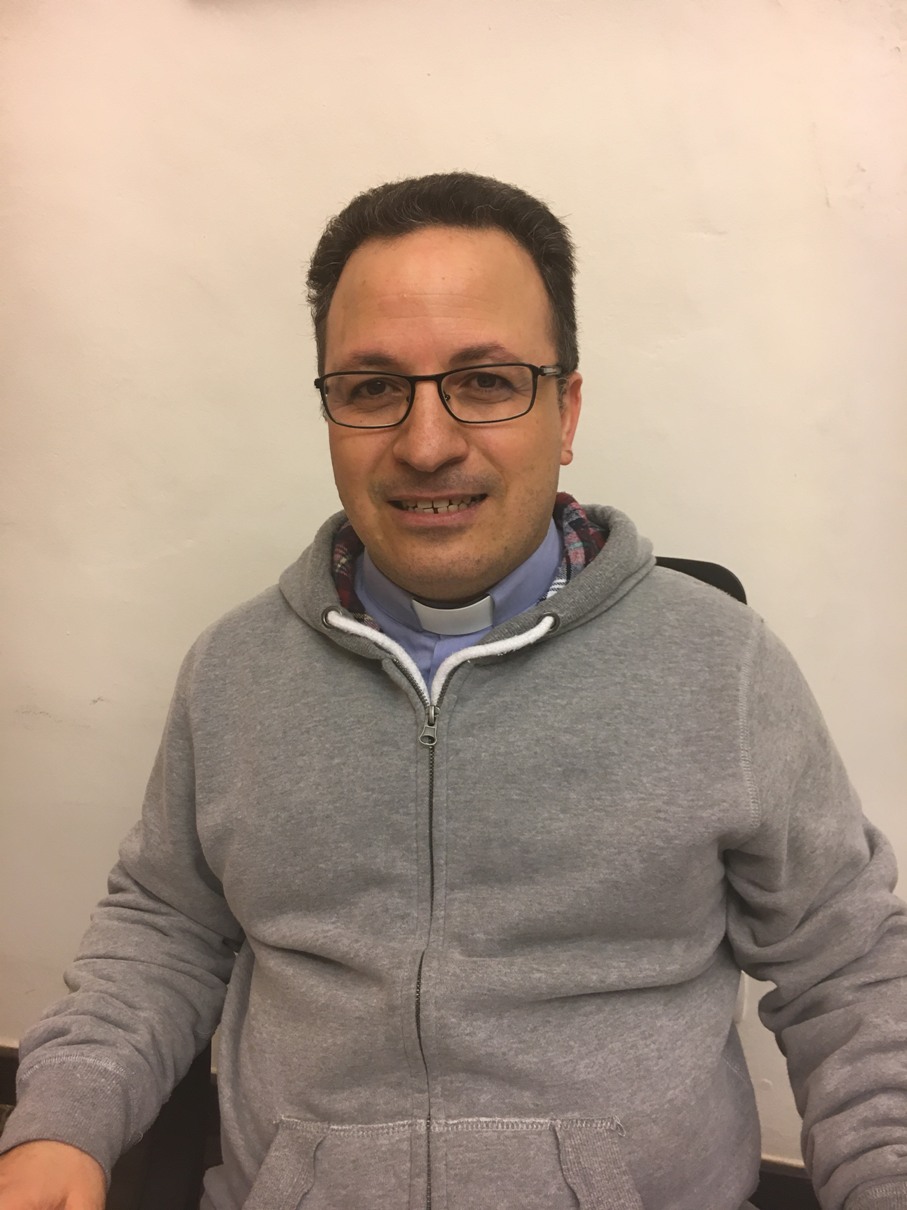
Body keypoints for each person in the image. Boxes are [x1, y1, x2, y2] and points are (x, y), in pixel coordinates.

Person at [0, 172, 904, 1210]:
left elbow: (850, 972)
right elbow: (165, 925)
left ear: (565, 410)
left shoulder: (724, 665)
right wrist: (63, 1122)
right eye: (371, 387)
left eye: (484, 380)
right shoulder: (231, 670)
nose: (426, 443)